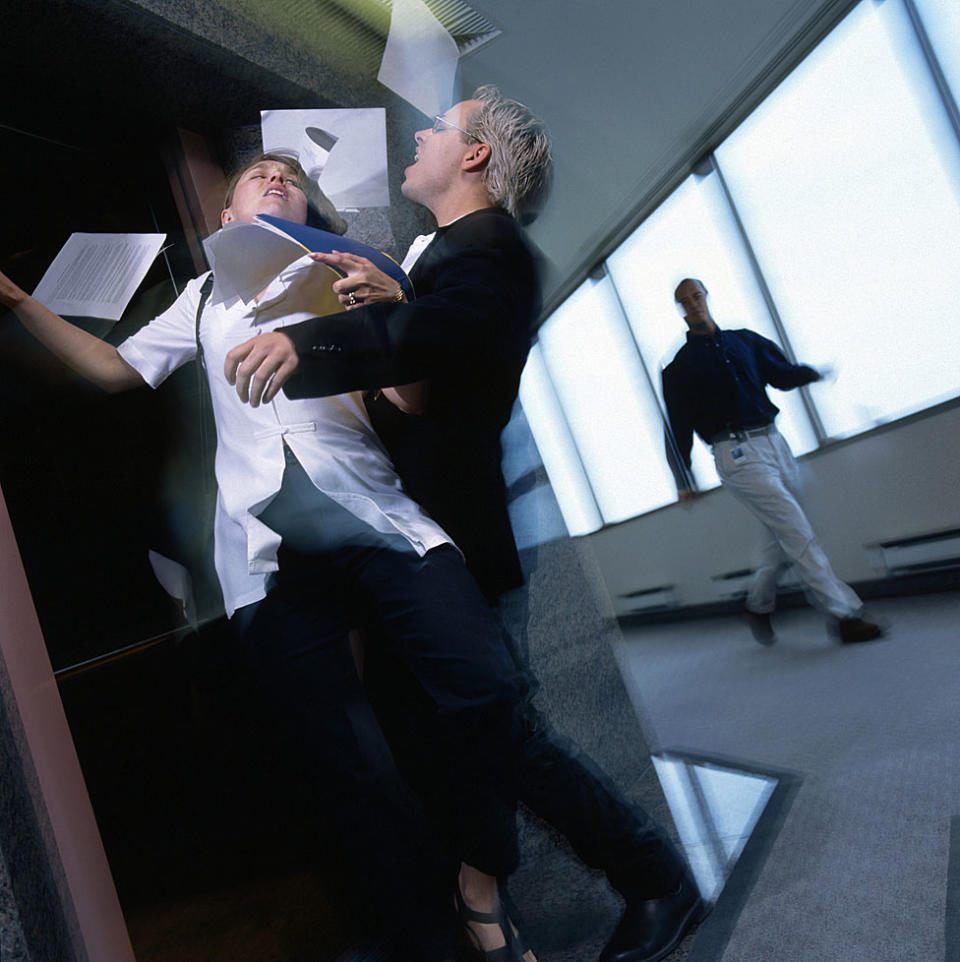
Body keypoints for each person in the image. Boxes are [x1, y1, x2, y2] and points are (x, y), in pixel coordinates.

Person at [0, 150, 543, 962]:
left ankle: (480, 878)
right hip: (262, 550)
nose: (275, 176)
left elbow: (415, 400)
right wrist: (11, 298)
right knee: (352, 770)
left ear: (311, 205)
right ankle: (428, 938)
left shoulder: (350, 269)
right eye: (257, 174)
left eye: (290, 173)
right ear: (225, 217)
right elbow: (114, 370)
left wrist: (393, 305)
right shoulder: (200, 298)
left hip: (373, 515)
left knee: (486, 687)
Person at [225, 86, 703, 962]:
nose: (423, 136)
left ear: (475, 156)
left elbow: (443, 332)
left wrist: (315, 341)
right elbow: (423, 362)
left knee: (498, 733)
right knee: (450, 741)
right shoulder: (439, 252)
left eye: (440, 128)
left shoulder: (490, 250)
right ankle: (483, 906)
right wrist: (391, 294)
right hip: (397, 539)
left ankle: (648, 877)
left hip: (450, 543)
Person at [662, 278, 883, 645]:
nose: (693, 304)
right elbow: (677, 427)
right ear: (680, 309)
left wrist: (812, 373)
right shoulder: (679, 368)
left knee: (784, 535)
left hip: (775, 443)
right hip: (736, 453)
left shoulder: (744, 340)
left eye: (697, 296)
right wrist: (683, 478)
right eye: (684, 301)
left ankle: (757, 605)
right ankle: (844, 615)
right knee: (796, 531)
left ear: (706, 297)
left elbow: (780, 374)